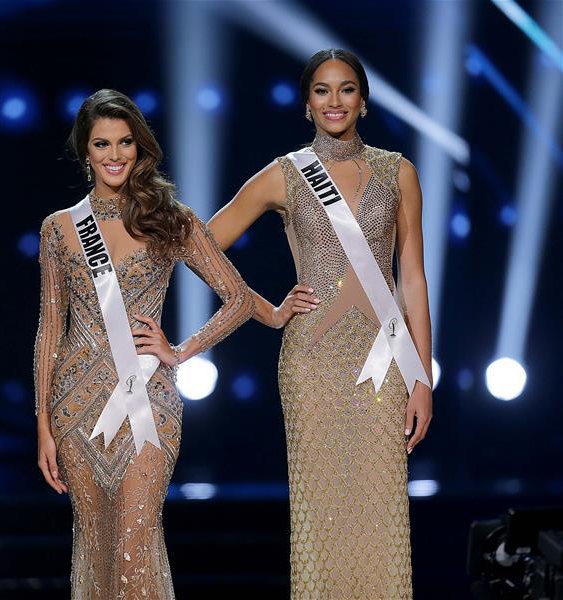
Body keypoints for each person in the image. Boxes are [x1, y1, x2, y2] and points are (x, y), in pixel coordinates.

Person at [207, 49, 434, 598]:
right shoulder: (287, 173)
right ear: (307, 103)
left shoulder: (397, 170)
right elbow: (203, 244)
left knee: (380, 510)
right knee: (322, 509)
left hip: (384, 360)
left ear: (364, 100)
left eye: (347, 89)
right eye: (323, 91)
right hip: (312, 361)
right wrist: (265, 308)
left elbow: (414, 279)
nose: (335, 101)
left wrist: (423, 376)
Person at [33, 88, 254, 599]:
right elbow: (49, 330)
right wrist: (43, 423)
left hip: (148, 403)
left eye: (125, 142)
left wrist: (180, 351)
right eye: (102, 144)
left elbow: (238, 298)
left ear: (140, 147)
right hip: (74, 409)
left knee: (135, 543)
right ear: (84, 151)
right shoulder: (59, 229)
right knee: (96, 547)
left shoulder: (169, 220)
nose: (115, 155)